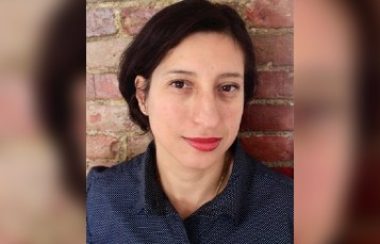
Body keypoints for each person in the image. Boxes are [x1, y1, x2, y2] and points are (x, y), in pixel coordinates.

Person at [87, 1, 293, 243]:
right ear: (143, 95)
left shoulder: (289, 210)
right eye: (180, 84)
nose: (208, 118)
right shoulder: (100, 200)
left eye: (227, 87)